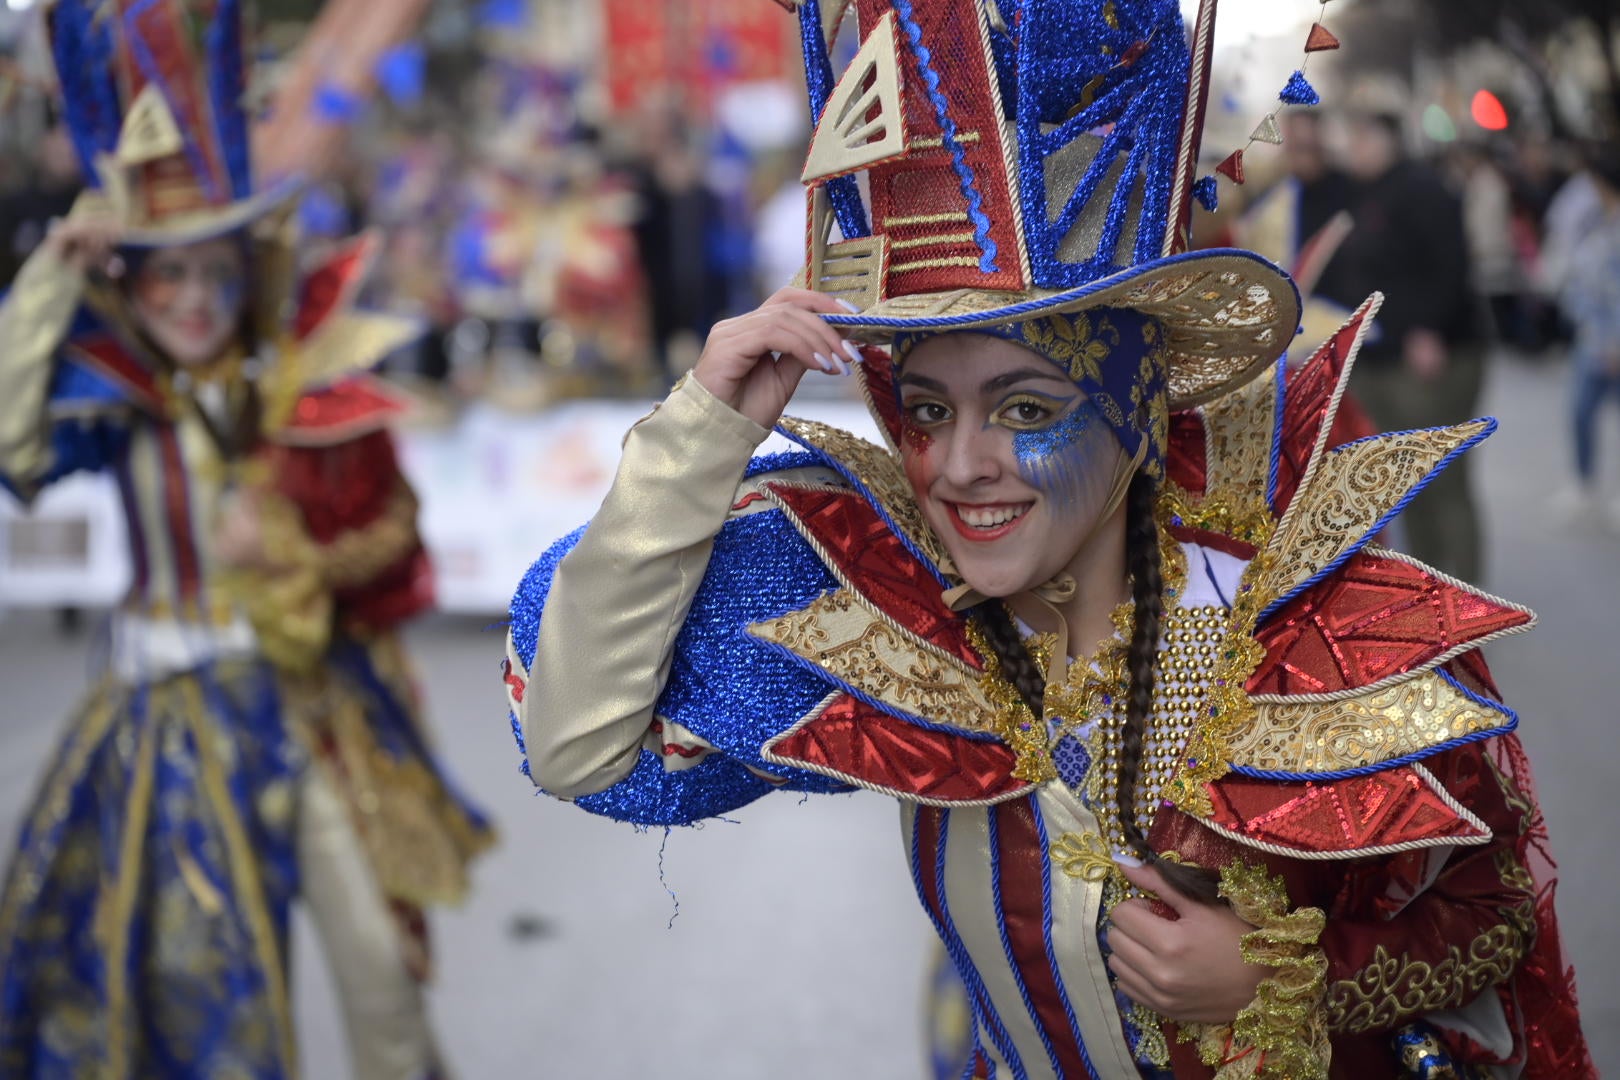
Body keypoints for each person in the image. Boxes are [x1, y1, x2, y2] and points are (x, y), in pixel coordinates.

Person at [503, 1, 1591, 1076]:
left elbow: (1489, 917)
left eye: (1026, 410)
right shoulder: (898, 618)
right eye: (928, 411)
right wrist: (704, 427)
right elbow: (578, 744)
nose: (962, 464)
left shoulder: (1308, 631)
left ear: (1131, 412)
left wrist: (1288, 977)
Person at [0, 1, 491, 1076]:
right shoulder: (122, 404)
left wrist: (296, 561)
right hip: (165, 722)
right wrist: (48, 280)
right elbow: (14, 449)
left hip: (311, 712)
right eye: (161, 274)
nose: (187, 298)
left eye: (208, 271)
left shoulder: (306, 387)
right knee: (206, 1003)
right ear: (128, 283)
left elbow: (397, 524)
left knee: (380, 972)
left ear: (245, 270)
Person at [1323, 107, 1487, 584]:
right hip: (1385, 355)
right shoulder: (1362, 192)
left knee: (1445, 478)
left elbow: (1450, 263)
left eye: (1361, 138)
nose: (1352, 148)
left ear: (1386, 138)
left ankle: (1470, 591)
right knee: (1410, 480)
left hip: (1435, 353)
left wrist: (1429, 330)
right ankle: (1435, 586)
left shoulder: (1421, 188)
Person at [1553, 151, 1620, 527]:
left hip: (1611, 339)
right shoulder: (1597, 219)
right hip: (1591, 336)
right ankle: (1584, 485)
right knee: (1580, 413)